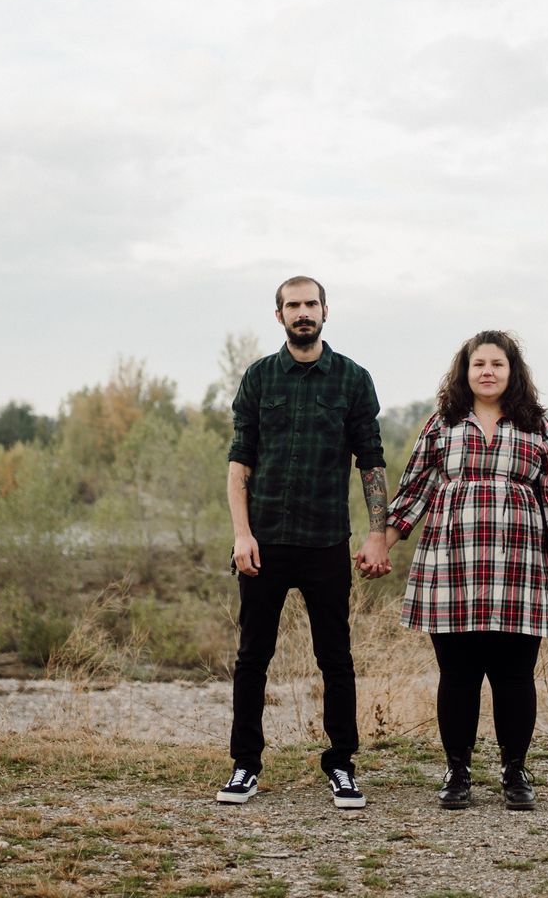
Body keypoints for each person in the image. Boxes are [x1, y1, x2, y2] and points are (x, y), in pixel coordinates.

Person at [383, 330, 548, 810]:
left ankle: (515, 772)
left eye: (497, 364)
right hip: (452, 563)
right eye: (479, 365)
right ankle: (457, 773)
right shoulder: (443, 423)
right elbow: (413, 489)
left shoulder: (536, 426)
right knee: (458, 675)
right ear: (465, 372)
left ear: (512, 371)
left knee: (516, 675)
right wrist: (382, 542)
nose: (488, 372)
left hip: (519, 564)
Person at [220, 275, 391, 809]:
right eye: (292, 305)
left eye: (310, 304)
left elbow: (372, 461)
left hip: (324, 544)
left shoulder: (352, 380)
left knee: (335, 658)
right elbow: (239, 461)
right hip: (265, 543)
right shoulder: (259, 378)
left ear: (325, 311)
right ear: (279, 316)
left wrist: (377, 533)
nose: (302, 313)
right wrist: (241, 534)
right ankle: (245, 766)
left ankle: (341, 764)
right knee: (253, 658)